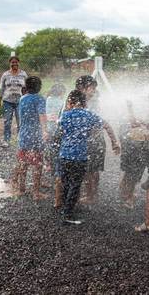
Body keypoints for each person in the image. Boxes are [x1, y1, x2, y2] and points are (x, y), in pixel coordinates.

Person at [58, 90, 120, 224]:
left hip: (64, 156)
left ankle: (65, 208)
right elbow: (107, 126)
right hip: (80, 156)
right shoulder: (89, 115)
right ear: (85, 103)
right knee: (75, 185)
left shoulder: (64, 115)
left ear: (70, 102)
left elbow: (62, 132)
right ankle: (68, 214)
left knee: (66, 183)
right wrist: (114, 142)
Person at [74, 75, 120, 204]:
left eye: (94, 88)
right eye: (92, 88)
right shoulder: (84, 101)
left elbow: (100, 122)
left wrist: (113, 140)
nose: (94, 90)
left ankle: (90, 196)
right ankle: (92, 194)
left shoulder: (90, 102)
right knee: (92, 169)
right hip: (93, 139)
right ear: (82, 88)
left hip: (93, 140)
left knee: (90, 170)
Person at [10, 76, 49, 200]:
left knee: (23, 162)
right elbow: (42, 115)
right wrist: (44, 131)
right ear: (39, 87)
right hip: (35, 134)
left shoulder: (22, 98)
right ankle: (36, 193)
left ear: (26, 87)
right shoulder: (40, 99)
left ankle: (22, 189)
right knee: (37, 164)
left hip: (24, 134)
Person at [0, 56, 27, 147]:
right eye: (12, 62)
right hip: (7, 101)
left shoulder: (23, 74)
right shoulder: (5, 74)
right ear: (9, 63)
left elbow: (27, 87)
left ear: (19, 63)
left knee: (20, 121)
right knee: (7, 122)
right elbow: (1, 88)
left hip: (20, 101)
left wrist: (26, 98)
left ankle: (20, 140)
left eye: (16, 62)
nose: (14, 64)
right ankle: (6, 140)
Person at [45, 82, 66, 207]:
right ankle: (57, 173)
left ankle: (50, 167)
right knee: (58, 151)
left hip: (49, 129)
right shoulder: (61, 102)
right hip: (57, 131)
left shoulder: (48, 99)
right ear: (61, 93)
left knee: (51, 149)